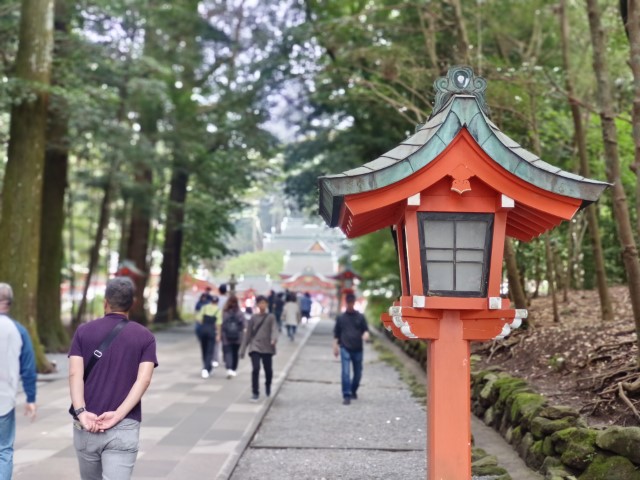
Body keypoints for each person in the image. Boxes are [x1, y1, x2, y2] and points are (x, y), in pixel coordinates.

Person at [68, 276, 157, 480]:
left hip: (87, 424)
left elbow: (75, 373)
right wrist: (118, 415)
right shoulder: (145, 337)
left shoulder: (83, 332)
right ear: (132, 304)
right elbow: (144, 380)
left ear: (105, 302)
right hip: (124, 425)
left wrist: (81, 412)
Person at [0, 283, 37, 480]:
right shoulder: (18, 330)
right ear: (10, 303)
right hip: (4, 400)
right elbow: (29, 368)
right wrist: (31, 398)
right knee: (3, 450)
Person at [333, 293, 369, 405]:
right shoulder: (341, 318)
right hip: (345, 347)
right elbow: (336, 334)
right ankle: (346, 395)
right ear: (346, 303)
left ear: (354, 302)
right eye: (348, 303)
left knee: (358, 373)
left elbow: (366, 330)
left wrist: (366, 335)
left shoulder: (360, 317)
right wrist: (335, 346)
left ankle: (353, 390)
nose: (350, 305)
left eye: (352, 302)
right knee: (345, 372)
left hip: (358, 348)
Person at [240, 295, 278, 401]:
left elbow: (275, 329)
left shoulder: (271, 317)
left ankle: (268, 384)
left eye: (264, 303)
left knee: (268, 370)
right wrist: (243, 350)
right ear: (257, 305)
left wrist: (274, 339)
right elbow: (248, 334)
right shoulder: (253, 318)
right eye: (260, 303)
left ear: (267, 304)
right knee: (255, 368)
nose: (262, 305)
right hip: (255, 346)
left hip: (267, 346)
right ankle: (255, 392)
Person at [196, 296, 220, 379]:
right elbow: (218, 323)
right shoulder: (217, 310)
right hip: (212, 332)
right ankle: (206, 368)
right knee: (210, 350)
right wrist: (218, 334)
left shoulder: (204, 308)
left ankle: (207, 366)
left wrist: (204, 324)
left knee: (204, 349)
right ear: (217, 302)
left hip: (203, 331)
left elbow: (198, 319)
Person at [221, 295, 245, 379]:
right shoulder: (239, 313)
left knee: (228, 352)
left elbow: (222, 324)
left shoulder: (225, 312)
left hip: (226, 336)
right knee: (235, 353)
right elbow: (243, 325)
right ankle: (234, 369)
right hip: (237, 336)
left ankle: (229, 368)